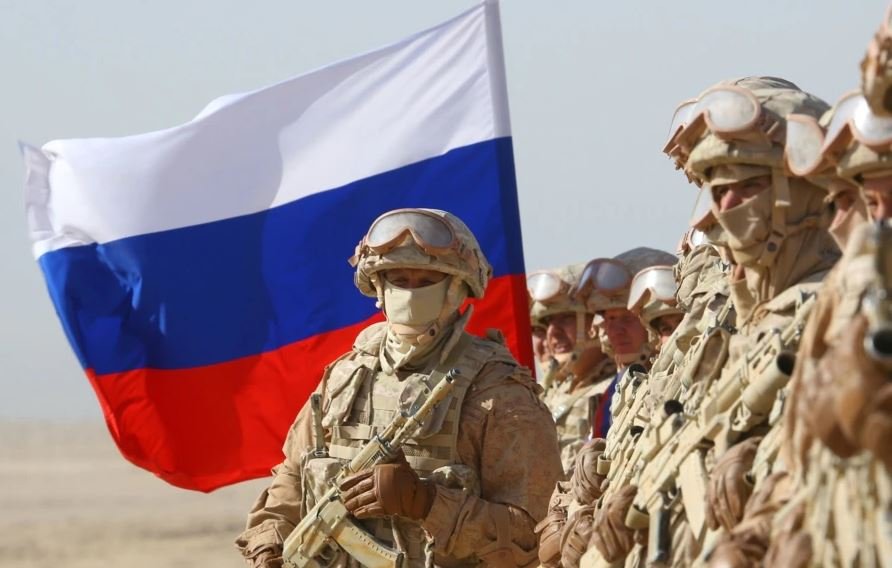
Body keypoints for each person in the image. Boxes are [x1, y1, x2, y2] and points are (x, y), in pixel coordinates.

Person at [235, 208, 563, 567]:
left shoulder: (498, 391)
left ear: (456, 288)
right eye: (399, 279)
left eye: (426, 281)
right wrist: (270, 541)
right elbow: (294, 476)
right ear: (378, 286)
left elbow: (535, 533)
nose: (409, 292)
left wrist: (427, 503)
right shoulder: (347, 375)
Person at [528, 264, 617, 474]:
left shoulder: (614, 391)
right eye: (548, 321)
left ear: (596, 323)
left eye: (566, 317)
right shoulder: (549, 392)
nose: (552, 332)